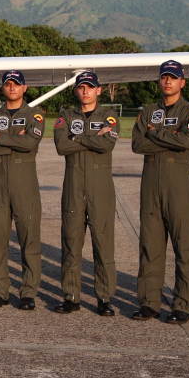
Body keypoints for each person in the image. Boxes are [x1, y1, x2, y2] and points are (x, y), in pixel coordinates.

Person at [130, 60, 189, 324]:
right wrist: (168, 136)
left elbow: (186, 141)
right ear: (159, 81)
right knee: (150, 246)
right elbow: (137, 145)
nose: (168, 81)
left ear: (182, 82)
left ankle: (182, 304)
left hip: (177, 184)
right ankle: (149, 302)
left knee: (183, 246)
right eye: (164, 77)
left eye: (173, 77)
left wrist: (155, 133)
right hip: (150, 183)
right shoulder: (148, 111)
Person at [0, 70, 45, 310]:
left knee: (29, 239)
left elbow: (31, 142)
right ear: (3, 88)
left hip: (25, 184)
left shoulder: (34, 115)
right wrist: (16, 140)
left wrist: (0, 137)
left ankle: (28, 292)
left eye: (17, 84)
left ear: (25, 87)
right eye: (8, 84)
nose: (12, 88)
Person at [52, 71, 119, 316]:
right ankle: (71, 296)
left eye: (90, 87)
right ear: (76, 90)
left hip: (100, 186)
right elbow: (62, 146)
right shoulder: (66, 116)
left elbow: (107, 144)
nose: (85, 91)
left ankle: (104, 298)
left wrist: (76, 138)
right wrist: (90, 137)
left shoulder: (109, 116)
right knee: (71, 242)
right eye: (81, 87)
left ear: (99, 90)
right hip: (73, 184)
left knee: (103, 243)